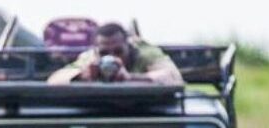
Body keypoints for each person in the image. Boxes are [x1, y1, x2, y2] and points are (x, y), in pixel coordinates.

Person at [48, 22, 183, 85]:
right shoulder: (92, 58)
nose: (112, 57)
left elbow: (173, 78)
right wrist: (81, 76)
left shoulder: (145, 53)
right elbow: (54, 81)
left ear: (128, 46)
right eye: (104, 53)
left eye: (118, 51)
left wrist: (131, 78)